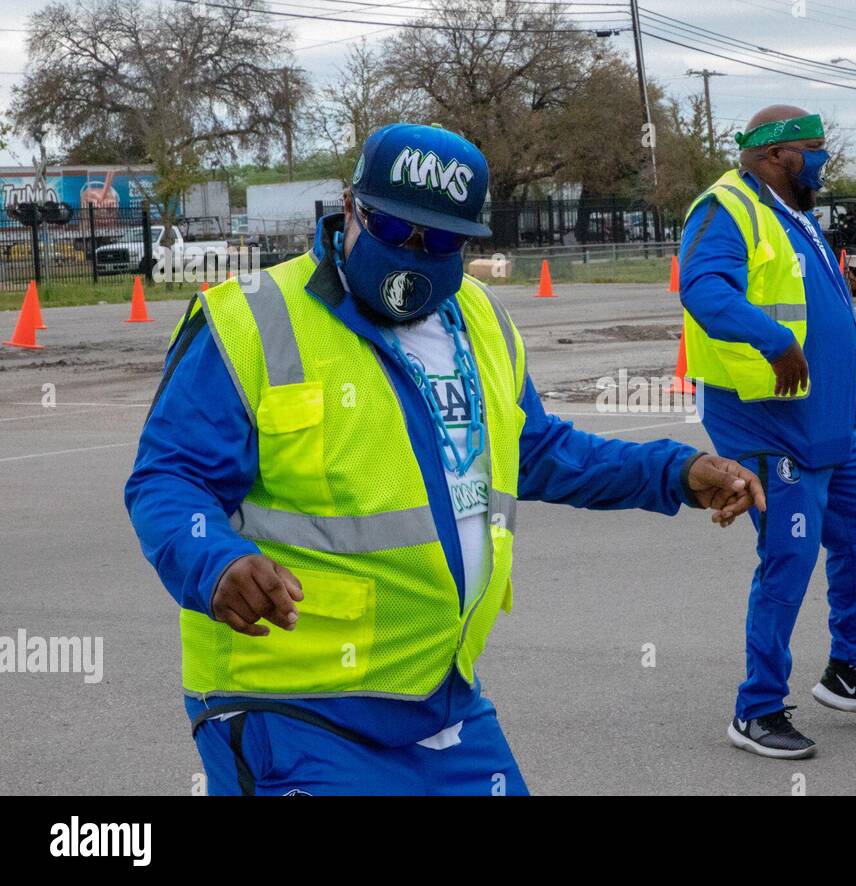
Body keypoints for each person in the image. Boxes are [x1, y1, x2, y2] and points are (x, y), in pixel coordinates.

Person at [125, 123, 765, 795]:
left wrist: (673, 473)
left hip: (439, 698)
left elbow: (535, 450)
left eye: (441, 242)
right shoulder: (252, 322)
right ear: (351, 207)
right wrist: (216, 562)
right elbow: (168, 478)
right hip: (288, 705)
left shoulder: (480, 320)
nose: (414, 254)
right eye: (395, 232)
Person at [677, 105, 856, 760]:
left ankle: (850, 671)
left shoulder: (796, 216)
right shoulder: (724, 208)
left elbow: (818, 299)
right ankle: (756, 709)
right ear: (781, 155)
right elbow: (702, 290)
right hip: (766, 419)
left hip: (828, 417)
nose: (823, 161)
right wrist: (773, 339)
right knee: (789, 557)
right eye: (816, 150)